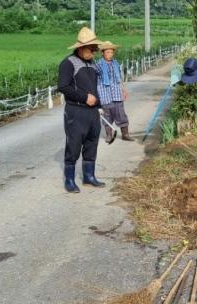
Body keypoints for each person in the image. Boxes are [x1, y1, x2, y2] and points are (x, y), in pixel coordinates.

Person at [58, 27, 105, 193]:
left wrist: (99, 106)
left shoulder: (91, 64)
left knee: (92, 143)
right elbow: (63, 86)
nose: (94, 51)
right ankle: (69, 179)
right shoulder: (68, 63)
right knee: (74, 145)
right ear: (80, 48)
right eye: (91, 48)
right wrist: (84, 97)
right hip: (75, 111)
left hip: (92, 112)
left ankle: (89, 177)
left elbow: (94, 87)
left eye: (94, 48)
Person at [96, 40, 134, 143]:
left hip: (117, 94)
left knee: (121, 114)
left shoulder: (115, 63)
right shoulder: (98, 65)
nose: (110, 54)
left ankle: (125, 134)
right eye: (107, 52)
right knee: (107, 115)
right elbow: (94, 79)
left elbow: (119, 78)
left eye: (111, 52)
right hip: (105, 94)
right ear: (102, 53)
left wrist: (124, 90)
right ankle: (109, 135)